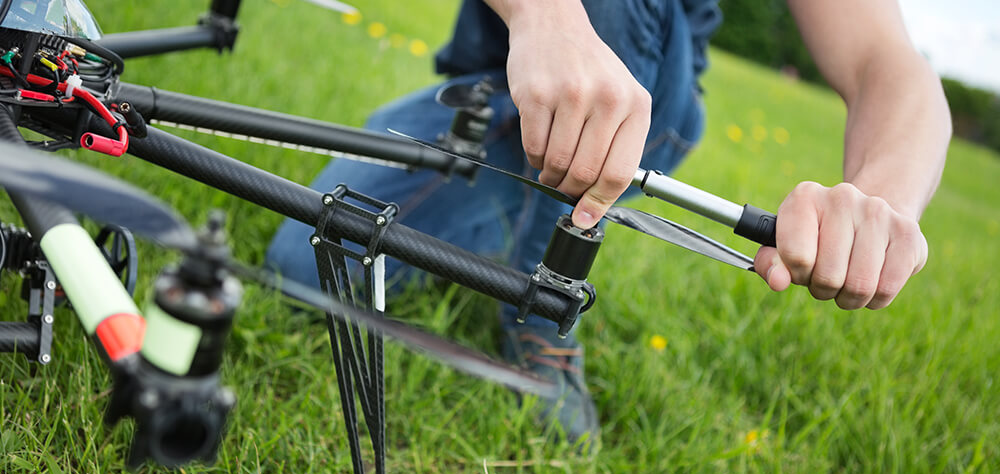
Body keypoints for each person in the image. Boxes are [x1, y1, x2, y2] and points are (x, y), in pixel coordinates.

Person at [267, 0, 951, 443]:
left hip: (642, 96)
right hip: (501, 80)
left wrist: (882, 202)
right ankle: (521, 208)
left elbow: (887, 64)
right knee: (304, 265)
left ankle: (543, 311)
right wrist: (544, 16)